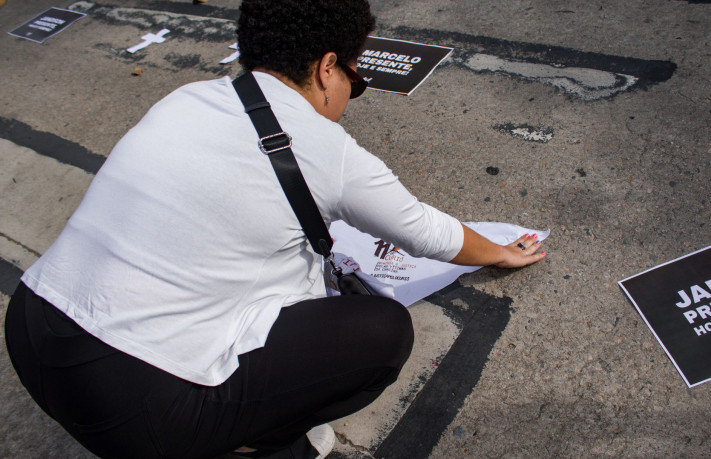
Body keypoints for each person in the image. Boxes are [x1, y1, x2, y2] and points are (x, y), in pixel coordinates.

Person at [4, 0, 546, 458]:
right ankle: (267, 443)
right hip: (132, 408)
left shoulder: (186, 97)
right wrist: (499, 252)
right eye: (356, 78)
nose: (351, 95)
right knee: (383, 332)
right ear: (328, 67)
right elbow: (427, 234)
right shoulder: (323, 147)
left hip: (30, 329)